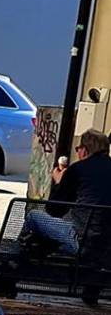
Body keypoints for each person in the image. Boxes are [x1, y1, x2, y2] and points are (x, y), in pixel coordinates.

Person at [49, 127, 111, 305]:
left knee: (35, 218)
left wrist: (58, 182)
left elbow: (54, 210)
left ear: (84, 150)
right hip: (108, 244)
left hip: (83, 239)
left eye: (78, 149)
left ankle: (28, 255)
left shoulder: (77, 170)